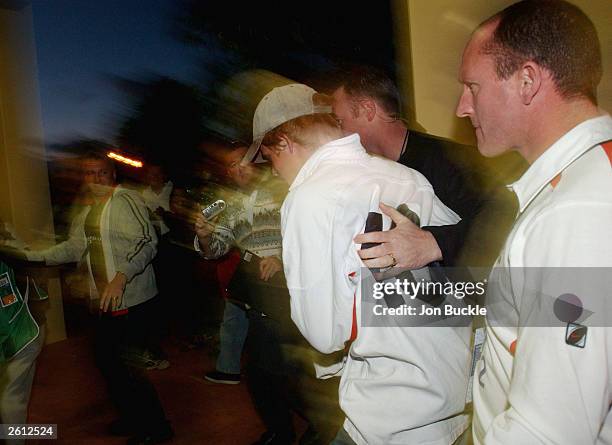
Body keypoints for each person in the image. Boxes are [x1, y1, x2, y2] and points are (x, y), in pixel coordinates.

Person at [244, 83, 472, 444]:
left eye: (271, 158)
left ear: (285, 142)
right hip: (450, 392)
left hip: (387, 410)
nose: (274, 172)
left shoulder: (308, 197)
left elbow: (324, 334)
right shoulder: (408, 177)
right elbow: (464, 270)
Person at [455, 1, 612, 443]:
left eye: (472, 86)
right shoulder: (588, 176)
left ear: (527, 80)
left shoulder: (576, 210)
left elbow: (549, 431)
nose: (463, 107)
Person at [25, 152, 172, 444]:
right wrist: (33, 257)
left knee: (128, 367)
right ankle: (132, 417)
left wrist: (121, 276)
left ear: (112, 175)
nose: (95, 180)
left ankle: (157, 428)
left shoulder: (126, 200)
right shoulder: (88, 210)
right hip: (104, 303)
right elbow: (73, 247)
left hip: (131, 299)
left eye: (101, 173)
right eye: (89, 174)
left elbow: (146, 240)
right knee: (109, 363)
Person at [331, 67, 492, 270]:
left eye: (339, 121)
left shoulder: (447, 158)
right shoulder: (377, 173)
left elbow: (501, 214)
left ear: (368, 110)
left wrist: (433, 243)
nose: (338, 133)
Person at [0, 223, 47, 445]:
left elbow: (7, 317)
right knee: (17, 398)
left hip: (21, 337)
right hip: (31, 330)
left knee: (9, 400)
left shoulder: (7, 257)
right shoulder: (12, 243)